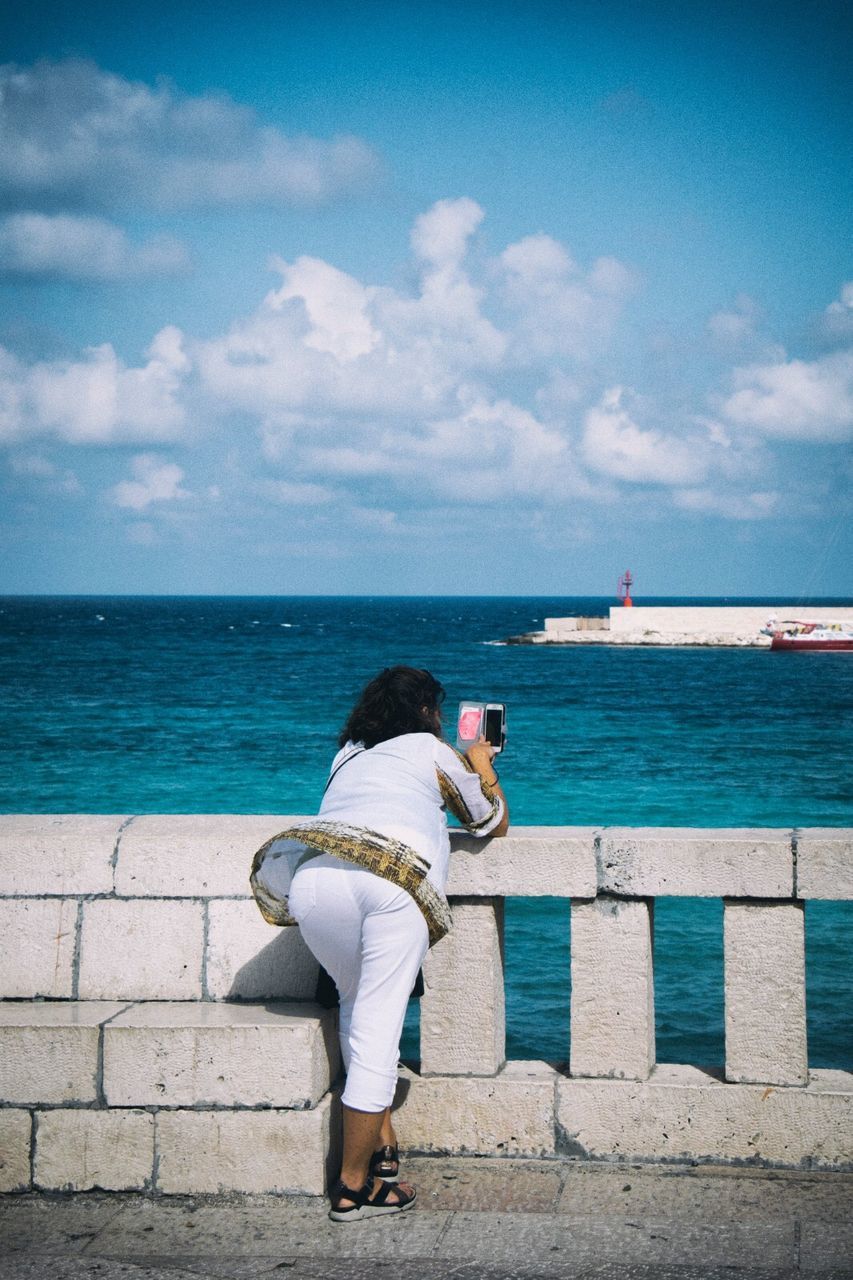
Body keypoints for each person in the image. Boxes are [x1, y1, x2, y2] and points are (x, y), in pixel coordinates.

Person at [250, 666, 508, 1221]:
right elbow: (490, 823)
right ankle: (352, 1187)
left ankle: (382, 1147)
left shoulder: (347, 753)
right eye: (434, 709)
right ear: (425, 711)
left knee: (355, 1008)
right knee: (378, 1028)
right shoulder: (432, 749)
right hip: (390, 886)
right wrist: (481, 765)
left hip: (315, 881)